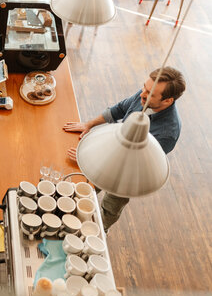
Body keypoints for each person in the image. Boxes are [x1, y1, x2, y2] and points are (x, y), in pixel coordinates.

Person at [63, 67, 186, 231]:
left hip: (131, 172)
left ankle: (99, 230)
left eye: (150, 93)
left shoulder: (167, 133)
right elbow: (119, 109)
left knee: (111, 205)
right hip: (113, 151)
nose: (142, 94)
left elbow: (136, 166)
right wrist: (89, 124)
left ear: (167, 101)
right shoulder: (145, 95)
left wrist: (87, 158)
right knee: (86, 185)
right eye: (145, 87)